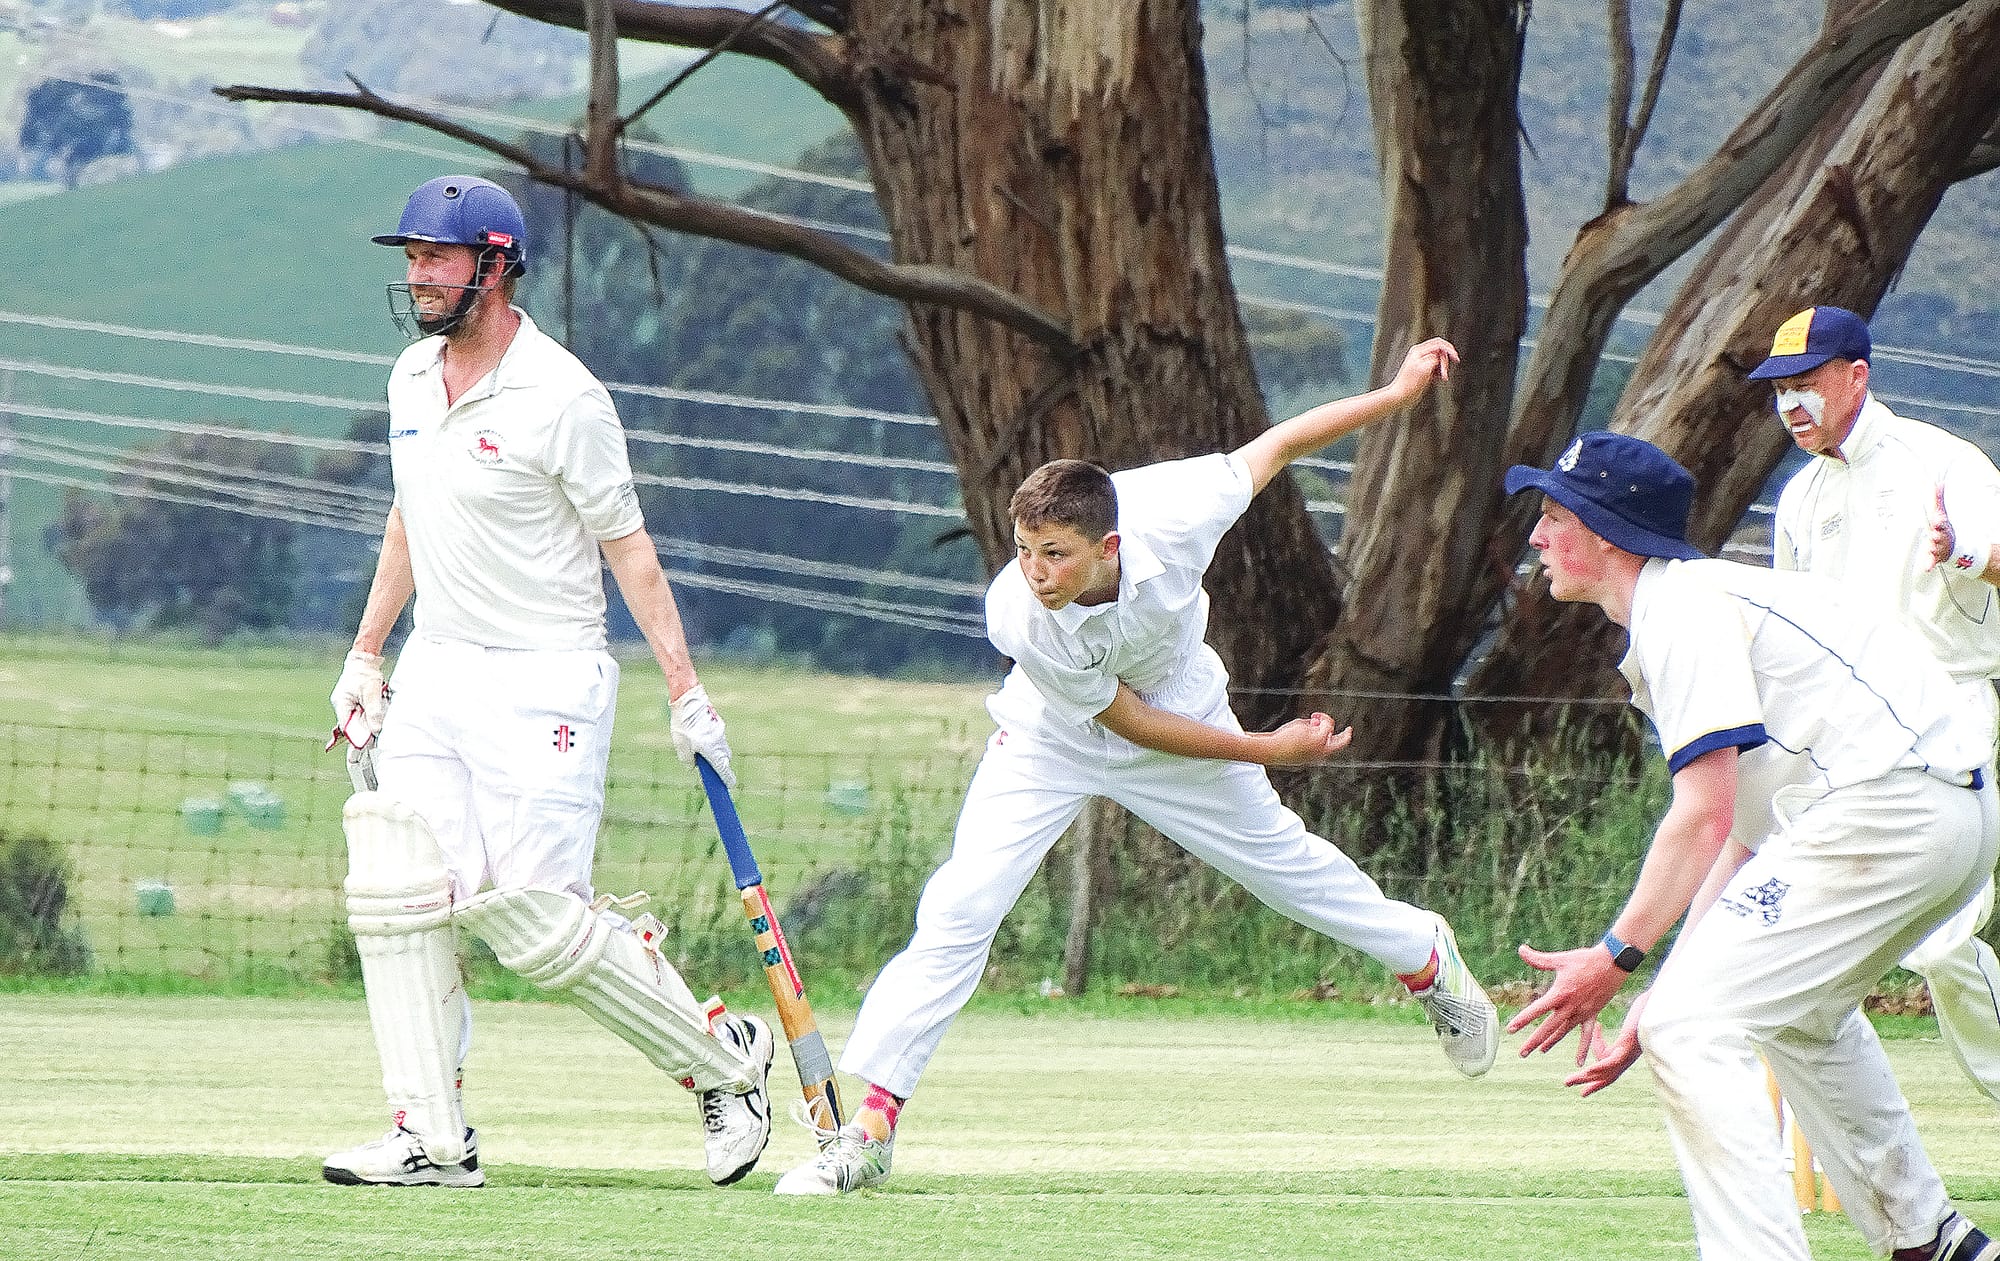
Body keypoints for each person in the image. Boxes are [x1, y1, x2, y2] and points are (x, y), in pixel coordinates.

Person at [775, 337, 1500, 1197]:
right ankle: (871, 1129)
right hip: (1055, 736)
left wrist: (1396, 392)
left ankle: (1424, 953)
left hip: (1184, 707)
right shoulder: (1020, 614)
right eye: (1025, 548)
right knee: (963, 903)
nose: (1036, 572)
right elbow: (1125, 721)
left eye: (1057, 554)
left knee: (1284, 868)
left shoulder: (1179, 507)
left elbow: (1278, 447)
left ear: (1109, 545)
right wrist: (1271, 746)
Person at [320, 174, 774, 1189]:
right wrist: (365, 656)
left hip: (547, 678)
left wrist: (684, 692)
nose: (418, 275)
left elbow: (631, 551)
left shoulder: (563, 396)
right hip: (438, 667)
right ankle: (431, 1139)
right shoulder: (407, 378)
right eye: (411, 258)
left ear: (493, 262)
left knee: (531, 915)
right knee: (407, 893)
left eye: (436, 257)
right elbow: (409, 520)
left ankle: (723, 1059)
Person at [1502, 431, 1999, 1261]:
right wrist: (1660, 989)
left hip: (1896, 807)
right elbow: (1738, 836)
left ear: (1607, 530)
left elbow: (1701, 813)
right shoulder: (1691, 604)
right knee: (1786, 1014)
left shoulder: (1684, 606)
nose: (1537, 535)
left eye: (1555, 514)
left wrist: (1616, 956)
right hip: (1937, 811)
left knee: (1696, 1028)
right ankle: (1931, 1240)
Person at [1753, 303, 2000, 1110]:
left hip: (1949, 711)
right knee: (1823, 921)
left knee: (1939, 941)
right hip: (1845, 730)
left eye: (1808, 383)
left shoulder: (1943, 462)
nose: (1792, 405)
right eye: (1780, 389)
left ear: (1857, 375)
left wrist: (1961, 552)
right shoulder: (1799, 500)